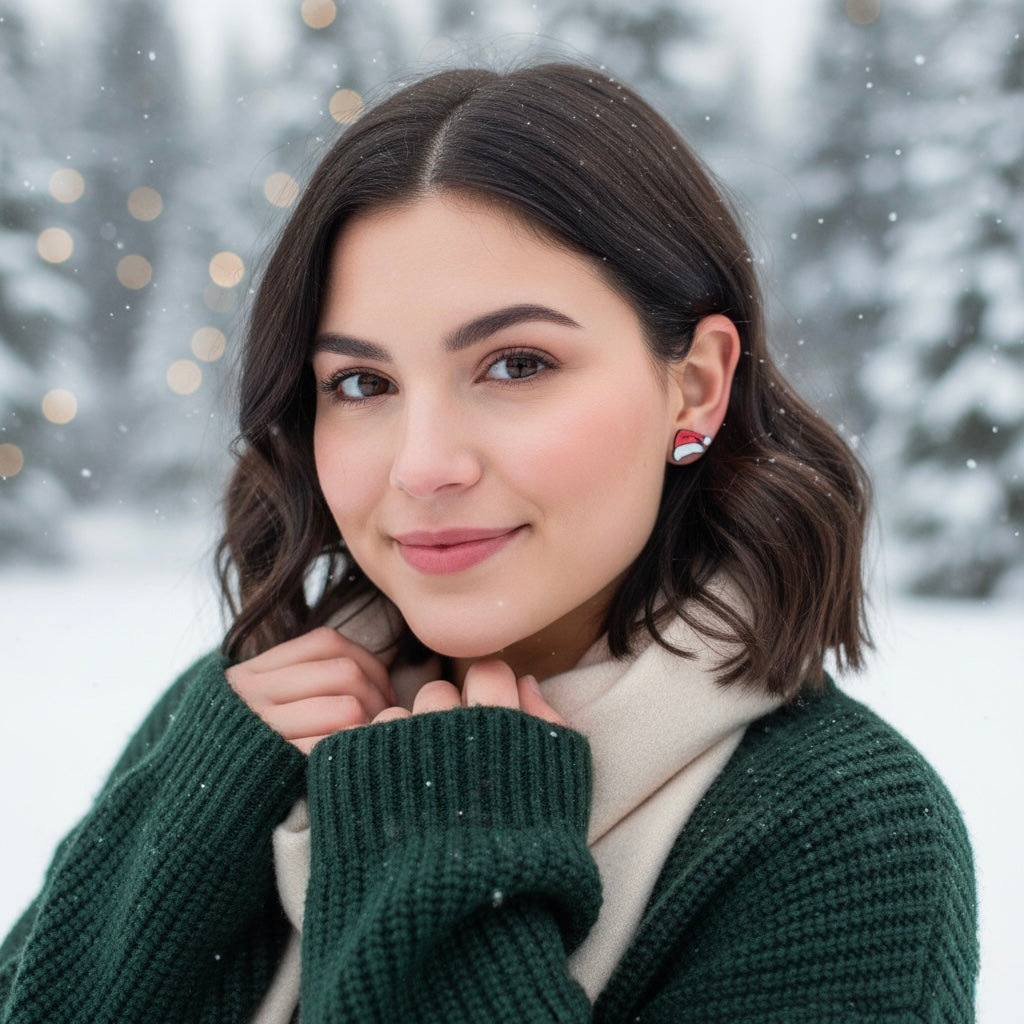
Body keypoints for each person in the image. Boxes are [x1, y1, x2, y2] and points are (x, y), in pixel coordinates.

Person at [0, 62, 977, 1022]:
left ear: (695, 384)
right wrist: (188, 821)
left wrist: (445, 870)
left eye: (516, 364)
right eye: (362, 383)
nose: (423, 466)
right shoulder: (249, 717)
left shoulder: (843, 834)